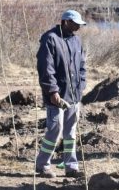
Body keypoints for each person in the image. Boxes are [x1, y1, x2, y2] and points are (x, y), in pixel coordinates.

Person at [35, 10, 87, 179]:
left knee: (71, 132)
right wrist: (52, 91)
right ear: (65, 22)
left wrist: (82, 85)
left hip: (74, 96)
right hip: (57, 96)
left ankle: (71, 166)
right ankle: (43, 165)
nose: (78, 26)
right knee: (54, 131)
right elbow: (46, 68)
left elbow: (82, 66)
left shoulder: (76, 41)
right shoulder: (50, 39)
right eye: (75, 23)